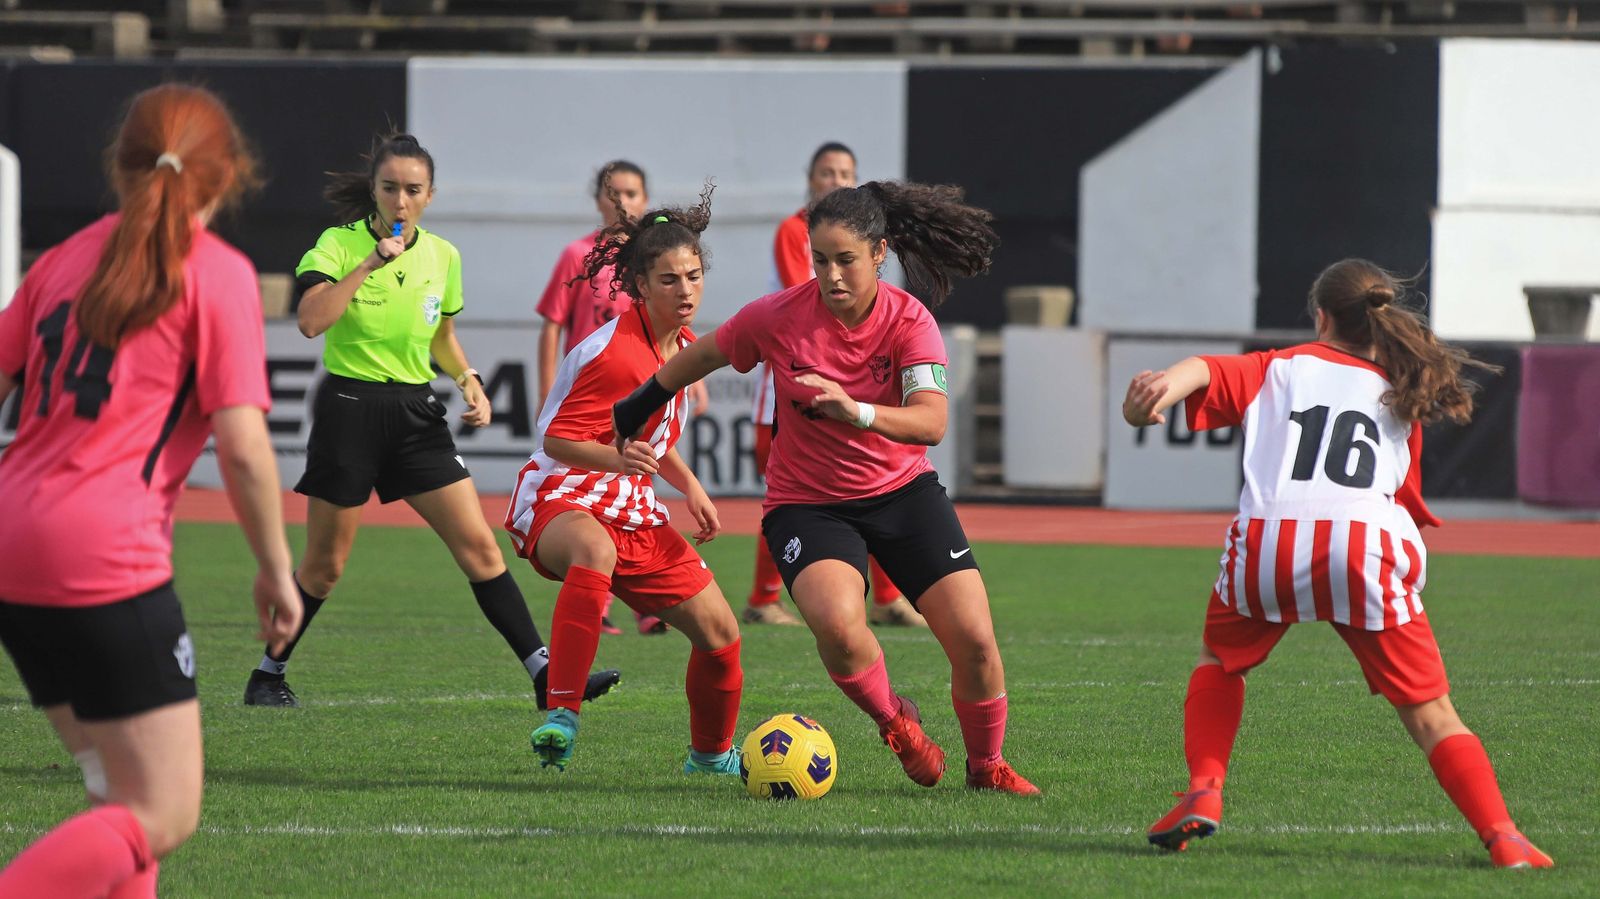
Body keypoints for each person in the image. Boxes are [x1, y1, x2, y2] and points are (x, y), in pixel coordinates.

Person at [1123, 258, 1552, 868]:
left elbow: (1201, 371)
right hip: (1362, 545)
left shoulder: (1278, 367)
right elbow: (1401, 487)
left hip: (1269, 540)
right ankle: (1503, 836)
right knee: (1431, 714)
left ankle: (1204, 790)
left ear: (1320, 315)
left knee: (1219, 661)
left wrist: (1151, 398)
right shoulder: (1399, 387)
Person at [613, 182, 1038, 794]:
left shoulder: (910, 320)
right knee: (839, 629)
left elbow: (932, 421)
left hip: (903, 492)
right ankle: (898, 724)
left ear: (880, 253)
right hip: (807, 506)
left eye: (846, 260)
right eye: (820, 260)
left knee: (974, 640)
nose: (831, 275)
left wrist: (855, 410)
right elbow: (705, 353)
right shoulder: (779, 315)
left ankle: (986, 767)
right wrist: (641, 402)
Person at [0, 84, 302, 898]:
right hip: (101, 553)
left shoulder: (62, 259)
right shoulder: (216, 273)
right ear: (229, 174)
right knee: (164, 811)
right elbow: (242, 447)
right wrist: (277, 568)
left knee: (117, 794)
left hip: (10, 545)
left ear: (119, 163)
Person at [240, 133, 619, 713]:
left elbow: (441, 335)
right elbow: (312, 322)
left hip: (416, 415)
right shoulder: (338, 245)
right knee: (324, 567)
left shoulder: (443, 255)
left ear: (430, 195)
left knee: (480, 551)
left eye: (413, 190)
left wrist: (468, 378)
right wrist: (370, 261)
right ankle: (268, 673)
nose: (400, 200)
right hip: (350, 409)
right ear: (373, 190)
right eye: (390, 188)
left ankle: (545, 674)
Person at [508, 186, 743, 775]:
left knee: (721, 634)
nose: (684, 290)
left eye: (692, 276)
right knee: (594, 548)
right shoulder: (614, 351)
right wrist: (622, 463)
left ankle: (711, 757)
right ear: (640, 286)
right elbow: (556, 439)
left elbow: (646, 439)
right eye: (668, 280)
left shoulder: (685, 349)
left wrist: (688, 484)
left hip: (632, 503)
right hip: (563, 492)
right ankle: (561, 715)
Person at [743, 143, 924, 630]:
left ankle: (886, 598)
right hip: (788, 394)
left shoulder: (865, 243)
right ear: (810, 178)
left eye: (844, 172)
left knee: (878, 482)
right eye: (826, 172)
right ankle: (763, 597)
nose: (835, 179)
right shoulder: (794, 231)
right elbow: (803, 298)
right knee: (791, 495)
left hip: (849, 391)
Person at [536, 160, 707, 636]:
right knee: (595, 536)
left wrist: (697, 376)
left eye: (633, 194)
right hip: (594, 393)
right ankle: (601, 607)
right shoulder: (579, 258)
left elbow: (679, 338)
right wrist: (547, 386)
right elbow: (554, 325)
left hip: (637, 391)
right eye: (615, 195)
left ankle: (644, 604)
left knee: (635, 474)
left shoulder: (664, 268)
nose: (624, 203)